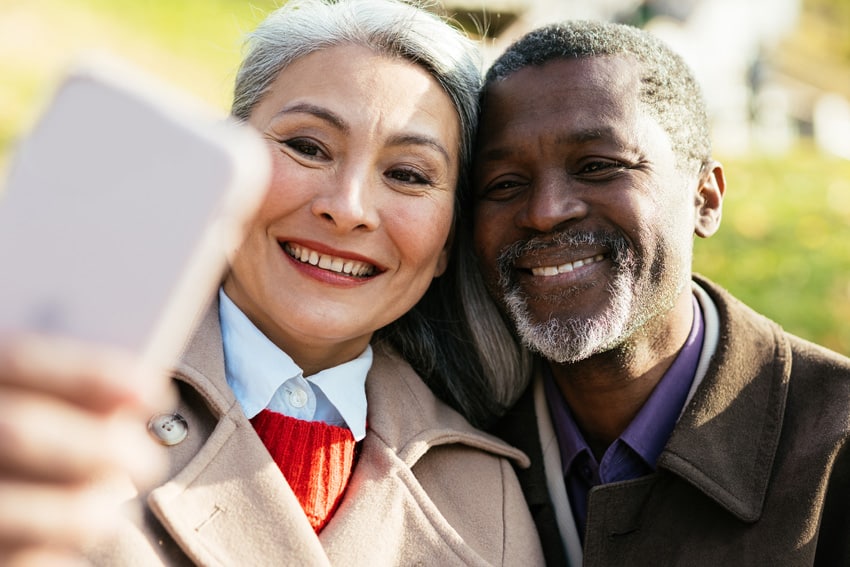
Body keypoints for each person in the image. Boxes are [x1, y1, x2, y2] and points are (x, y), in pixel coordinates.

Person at [0, 1, 544, 565]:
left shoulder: (491, 501)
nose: (348, 208)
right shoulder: (47, 376)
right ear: (226, 165)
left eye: (407, 175)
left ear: (447, 243)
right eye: (307, 147)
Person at [464, 19, 850, 566]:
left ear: (705, 199)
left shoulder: (836, 442)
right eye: (504, 184)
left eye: (598, 166)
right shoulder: (449, 445)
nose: (546, 211)